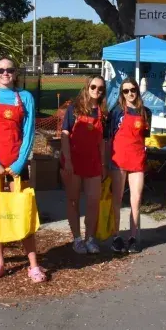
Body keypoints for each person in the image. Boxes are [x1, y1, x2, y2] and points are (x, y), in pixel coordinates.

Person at [0, 57, 46, 283]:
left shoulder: (25, 97)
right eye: (1, 70)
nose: (5, 73)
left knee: (23, 209)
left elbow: (29, 132)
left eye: (10, 70)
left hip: (17, 165)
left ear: (16, 73)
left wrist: (19, 163)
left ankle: (33, 265)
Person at [61, 75, 108, 254]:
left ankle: (90, 238)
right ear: (87, 87)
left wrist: (104, 164)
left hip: (94, 163)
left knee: (93, 201)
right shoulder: (74, 109)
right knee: (73, 201)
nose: (97, 91)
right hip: (74, 162)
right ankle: (77, 239)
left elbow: (102, 141)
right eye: (94, 87)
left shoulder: (103, 113)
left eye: (101, 88)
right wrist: (68, 161)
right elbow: (65, 135)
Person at [107, 78, 150, 254]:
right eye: (126, 91)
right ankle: (116, 236)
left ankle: (132, 237)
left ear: (137, 91)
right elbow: (109, 136)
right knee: (117, 199)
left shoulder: (145, 112)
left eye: (133, 90)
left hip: (137, 160)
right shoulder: (117, 111)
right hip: (118, 160)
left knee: (136, 200)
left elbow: (145, 136)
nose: (130, 94)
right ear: (121, 94)